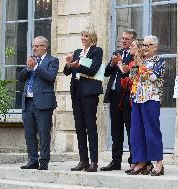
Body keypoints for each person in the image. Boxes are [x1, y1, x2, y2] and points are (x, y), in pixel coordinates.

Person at [63, 28, 103, 172]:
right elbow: (67, 72)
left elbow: (93, 70)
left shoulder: (97, 51)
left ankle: (94, 162)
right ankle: (83, 160)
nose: (83, 38)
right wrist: (69, 63)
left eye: (86, 36)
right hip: (77, 92)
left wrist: (79, 66)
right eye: (82, 36)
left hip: (89, 93)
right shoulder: (77, 52)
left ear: (92, 38)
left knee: (90, 127)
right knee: (79, 127)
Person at [19, 36, 59, 170]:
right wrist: (28, 68)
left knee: (43, 133)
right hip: (28, 101)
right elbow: (20, 78)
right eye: (33, 46)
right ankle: (32, 160)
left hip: (43, 103)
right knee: (29, 133)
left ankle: (44, 161)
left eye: (37, 46)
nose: (34, 48)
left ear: (45, 47)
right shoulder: (31, 61)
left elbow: (50, 77)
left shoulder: (52, 60)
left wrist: (36, 67)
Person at [128, 35, 165, 176]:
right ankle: (141, 161)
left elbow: (154, 77)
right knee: (137, 131)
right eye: (144, 45)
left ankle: (158, 163)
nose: (145, 48)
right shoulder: (140, 60)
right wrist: (135, 64)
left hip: (151, 98)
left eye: (148, 45)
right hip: (137, 98)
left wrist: (142, 66)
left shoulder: (159, 61)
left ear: (155, 47)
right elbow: (132, 77)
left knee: (151, 131)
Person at [101, 29, 137, 171]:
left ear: (133, 40)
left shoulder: (134, 55)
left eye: (127, 39)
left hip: (127, 97)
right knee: (116, 130)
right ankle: (115, 161)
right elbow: (106, 73)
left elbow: (132, 73)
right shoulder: (117, 53)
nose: (123, 41)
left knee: (130, 129)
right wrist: (112, 64)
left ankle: (133, 161)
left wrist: (123, 65)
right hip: (114, 96)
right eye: (122, 38)